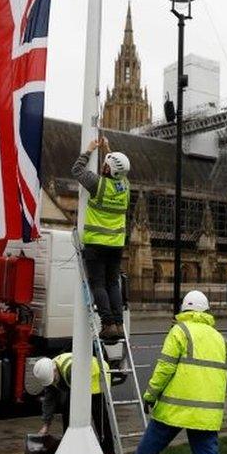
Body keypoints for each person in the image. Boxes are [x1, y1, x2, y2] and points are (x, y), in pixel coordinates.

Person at [132, 291, 227, 454]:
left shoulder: (180, 331)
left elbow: (165, 368)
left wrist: (150, 395)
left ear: (183, 309)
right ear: (207, 311)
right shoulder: (221, 340)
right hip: (207, 412)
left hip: (174, 408)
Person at [72, 136, 130, 341]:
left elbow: (77, 170)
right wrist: (108, 149)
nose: (103, 165)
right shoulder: (125, 187)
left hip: (96, 243)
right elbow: (117, 169)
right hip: (116, 245)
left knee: (98, 284)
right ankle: (119, 323)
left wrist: (88, 150)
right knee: (113, 284)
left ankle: (107, 323)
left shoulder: (98, 184)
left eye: (106, 163)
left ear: (107, 169)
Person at [33, 352, 114, 454]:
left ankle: (109, 453)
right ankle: (70, 444)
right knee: (67, 410)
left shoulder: (70, 371)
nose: (53, 382)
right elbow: (49, 401)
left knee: (99, 415)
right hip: (80, 374)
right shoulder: (49, 372)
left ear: (55, 371)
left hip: (97, 373)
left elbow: (79, 403)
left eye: (54, 379)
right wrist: (46, 425)